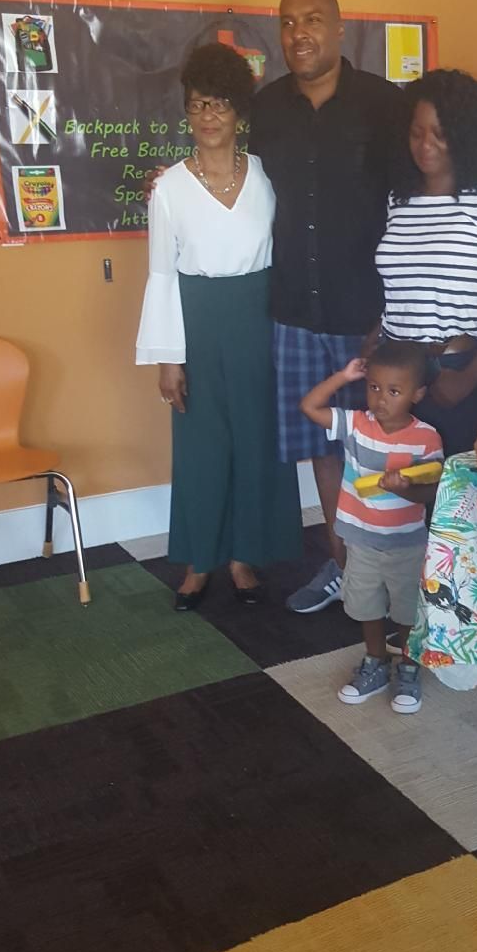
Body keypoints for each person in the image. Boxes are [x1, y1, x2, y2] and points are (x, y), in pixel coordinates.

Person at [250, 0, 406, 616]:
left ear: (340, 29)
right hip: (293, 310)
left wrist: (392, 313)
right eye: (288, 23)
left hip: (366, 314)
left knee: (380, 447)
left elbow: (409, 207)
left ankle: (393, 573)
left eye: (312, 19)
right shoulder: (265, 109)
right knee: (320, 446)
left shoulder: (384, 105)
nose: (299, 34)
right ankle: (343, 569)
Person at [136, 43, 302, 610]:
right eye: (197, 104)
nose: (208, 116)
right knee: (203, 448)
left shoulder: (266, 176)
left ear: (239, 112)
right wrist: (168, 358)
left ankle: (243, 558)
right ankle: (199, 562)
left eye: (220, 104)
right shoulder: (168, 189)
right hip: (198, 322)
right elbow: (162, 274)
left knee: (256, 443)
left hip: (259, 321)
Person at [374, 68, 477, 455]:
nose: (425, 145)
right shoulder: (400, 199)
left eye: (440, 133)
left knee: (445, 483)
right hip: (394, 372)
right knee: (393, 481)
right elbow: (403, 286)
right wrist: (375, 338)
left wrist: (471, 376)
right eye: (416, 133)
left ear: (464, 135)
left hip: (451, 370)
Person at [300, 341, 443, 713]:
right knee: (367, 607)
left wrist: (405, 488)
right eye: (374, 387)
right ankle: (375, 662)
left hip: (406, 544)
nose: (381, 399)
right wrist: (343, 376)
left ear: (417, 394)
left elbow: (432, 491)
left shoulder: (426, 438)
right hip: (360, 541)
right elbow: (310, 407)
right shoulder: (356, 425)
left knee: (407, 612)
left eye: (394, 391)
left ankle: (408, 667)